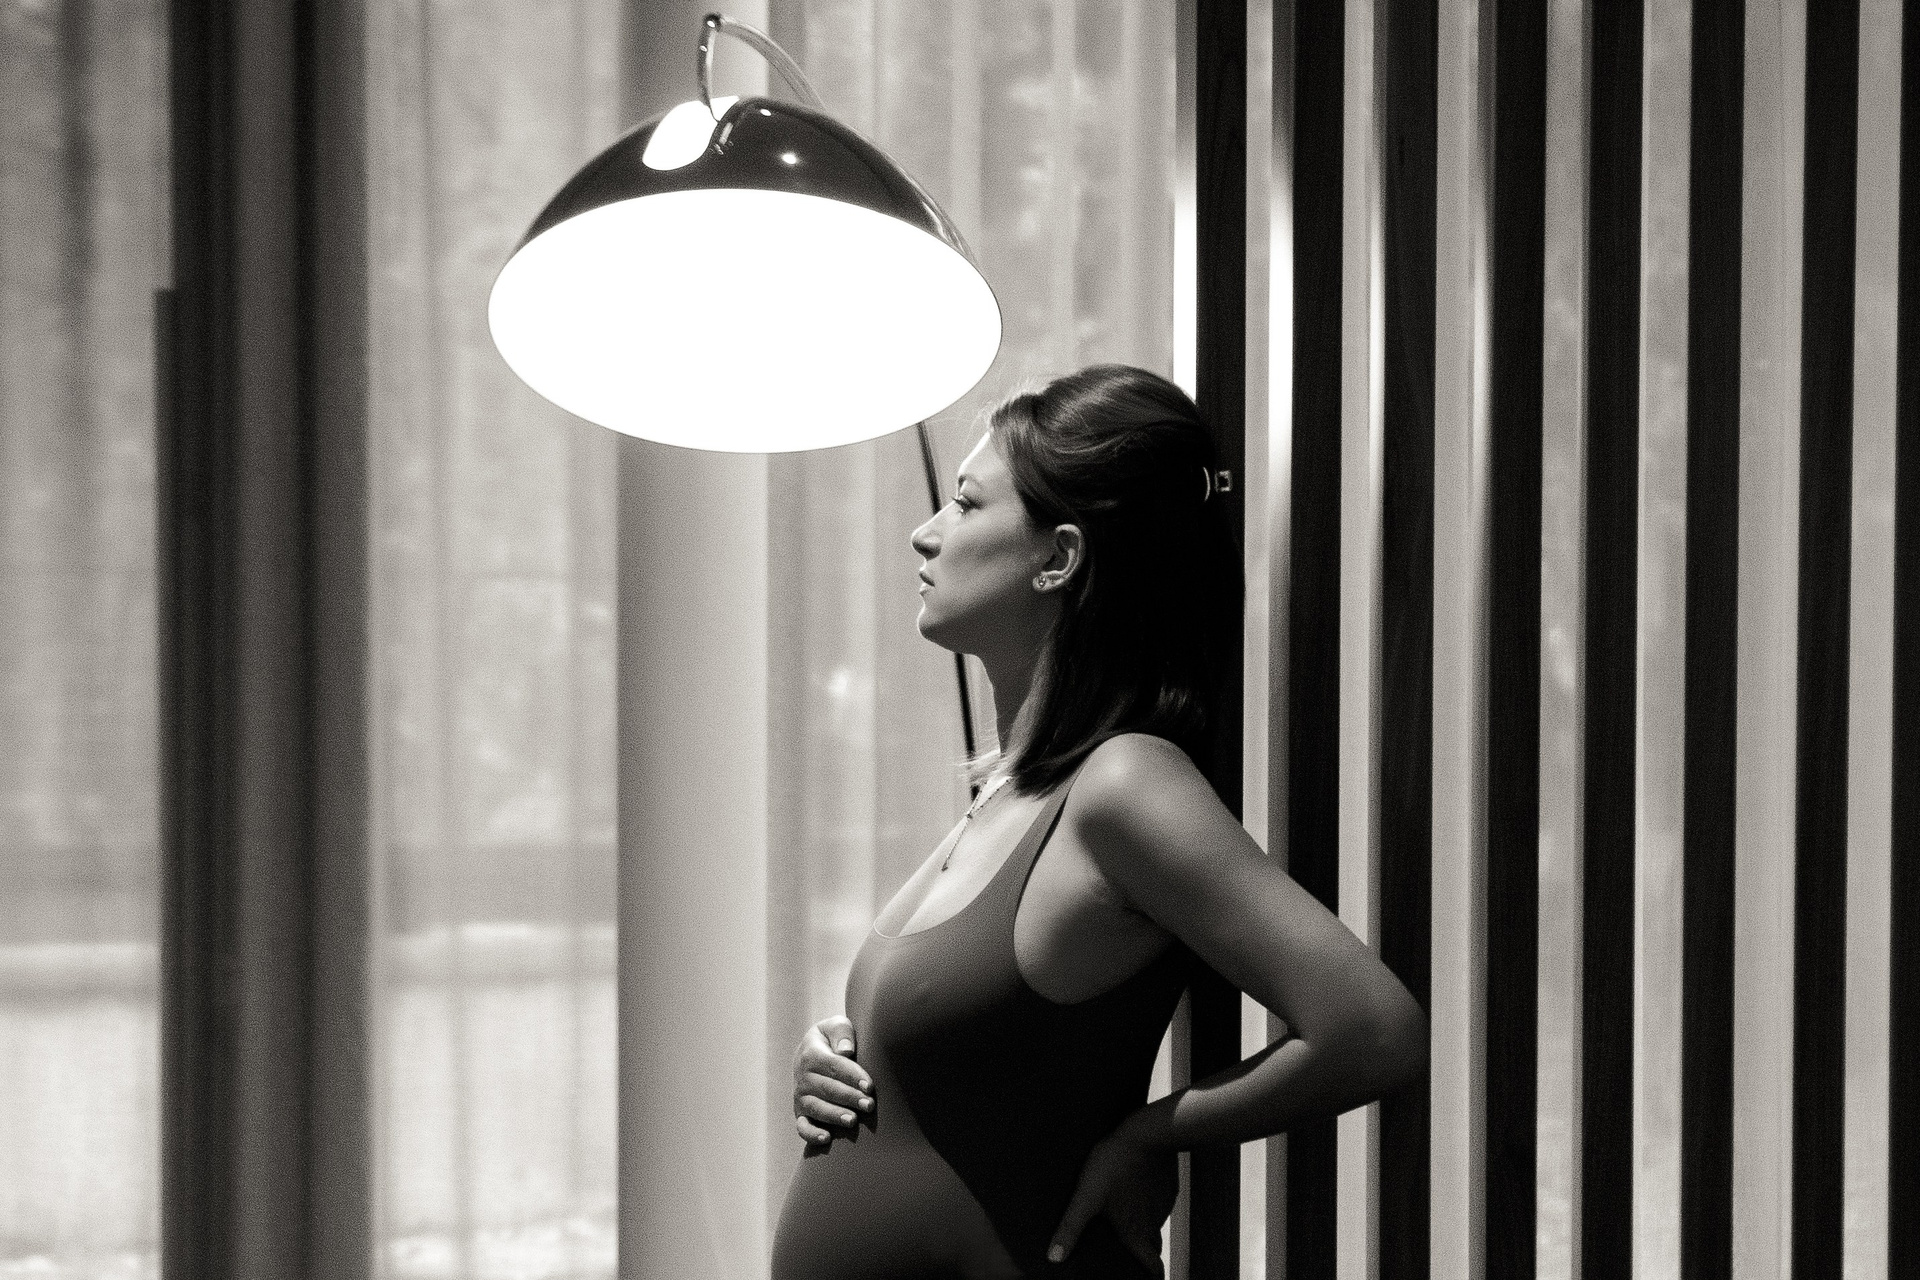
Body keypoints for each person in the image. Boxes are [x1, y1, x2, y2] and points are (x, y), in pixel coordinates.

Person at [770, 364, 1426, 1279]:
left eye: (966, 503)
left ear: (1059, 557)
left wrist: (1156, 1133)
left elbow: (1373, 1030)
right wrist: (847, 1056)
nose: (926, 532)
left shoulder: (1123, 785)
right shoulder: (1009, 796)